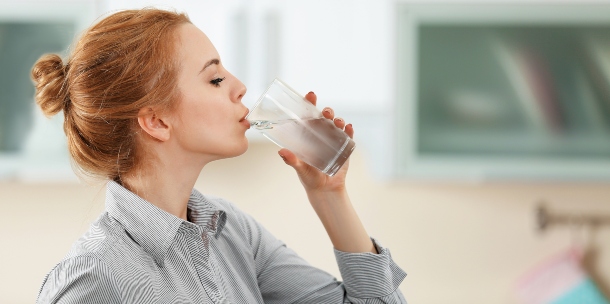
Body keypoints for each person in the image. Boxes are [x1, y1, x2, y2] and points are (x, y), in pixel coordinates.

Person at [32, 8, 407, 303]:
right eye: (215, 79)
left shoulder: (231, 233)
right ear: (156, 121)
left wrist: (330, 196)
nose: (241, 87)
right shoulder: (92, 279)